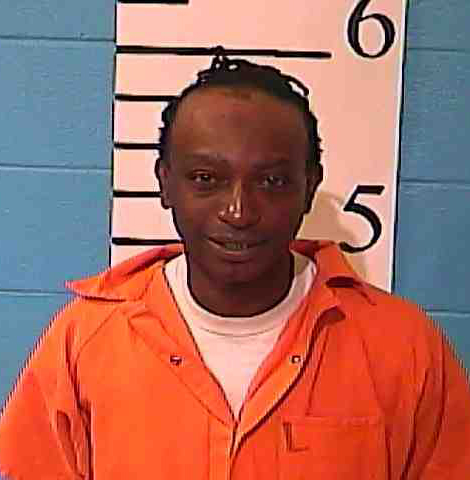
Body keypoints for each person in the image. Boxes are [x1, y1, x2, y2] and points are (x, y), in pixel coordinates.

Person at [1, 48, 470, 480]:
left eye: (272, 181)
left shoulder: (404, 346)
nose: (238, 212)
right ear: (165, 183)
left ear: (310, 186)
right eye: (206, 178)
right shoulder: (83, 341)